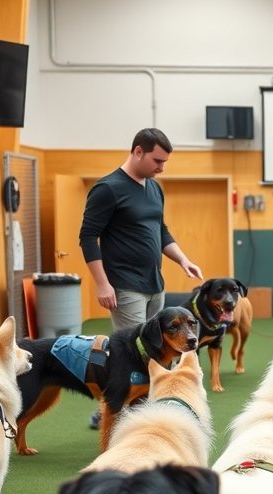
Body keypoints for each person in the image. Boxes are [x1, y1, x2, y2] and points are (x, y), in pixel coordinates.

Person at [79, 127, 203, 427]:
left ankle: (130, 408)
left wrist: (183, 259)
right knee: (133, 354)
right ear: (138, 152)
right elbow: (87, 237)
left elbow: (161, 231)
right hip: (124, 286)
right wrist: (102, 282)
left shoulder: (153, 188)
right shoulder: (108, 189)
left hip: (154, 284)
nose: (161, 168)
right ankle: (121, 412)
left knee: (157, 350)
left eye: (164, 163)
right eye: (157, 161)